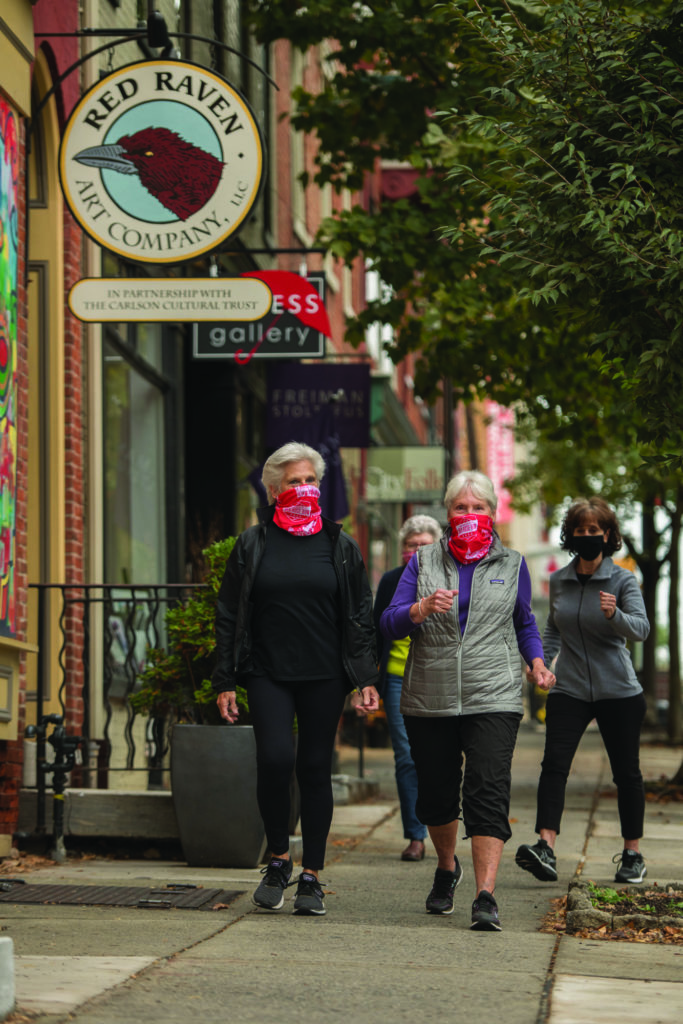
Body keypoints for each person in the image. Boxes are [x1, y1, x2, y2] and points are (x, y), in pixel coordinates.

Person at [381, 470, 555, 931]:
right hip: (430, 694)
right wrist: (418, 609)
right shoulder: (422, 562)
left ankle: (485, 895)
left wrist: (535, 662)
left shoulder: (512, 563)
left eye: (479, 508)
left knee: (487, 789)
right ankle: (446, 867)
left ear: (493, 513)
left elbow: (524, 623)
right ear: (448, 513)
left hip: (493, 693)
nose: (470, 515)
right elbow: (389, 622)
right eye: (461, 507)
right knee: (436, 797)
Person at [213, 441, 380, 916]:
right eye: (294, 481)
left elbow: (359, 616)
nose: (304, 487)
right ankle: (279, 859)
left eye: (310, 480)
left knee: (313, 768)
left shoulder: (340, 546)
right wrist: (225, 679)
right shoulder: (253, 543)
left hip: (325, 674)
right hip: (267, 671)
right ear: (272, 491)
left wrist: (365, 676)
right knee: (274, 758)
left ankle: (313, 876)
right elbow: (228, 615)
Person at [515, 497, 650, 885]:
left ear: (608, 536)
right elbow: (553, 628)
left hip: (618, 691)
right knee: (554, 766)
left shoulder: (623, 580)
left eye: (595, 530)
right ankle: (545, 847)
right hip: (569, 688)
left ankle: (632, 854)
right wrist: (540, 662)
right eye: (581, 530)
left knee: (627, 773)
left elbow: (639, 629)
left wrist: (615, 615)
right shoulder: (560, 580)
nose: (588, 536)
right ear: (571, 535)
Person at [374, 514, 442, 862]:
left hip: (440, 677)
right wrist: (369, 684)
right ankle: (415, 836)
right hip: (399, 678)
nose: (416, 550)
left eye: (424, 544)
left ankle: (441, 828)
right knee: (406, 757)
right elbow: (376, 631)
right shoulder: (390, 581)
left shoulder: (449, 580)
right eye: (411, 545)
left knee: (439, 757)